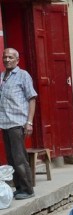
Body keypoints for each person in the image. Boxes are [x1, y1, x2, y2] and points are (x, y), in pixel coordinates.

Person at [0, 48, 37, 200]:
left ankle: (28, 190)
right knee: (11, 158)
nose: (7, 60)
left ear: (17, 60)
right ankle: (19, 187)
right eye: (5, 57)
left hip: (17, 123)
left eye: (10, 57)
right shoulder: (3, 76)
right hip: (5, 123)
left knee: (19, 157)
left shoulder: (23, 75)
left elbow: (32, 98)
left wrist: (29, 122)